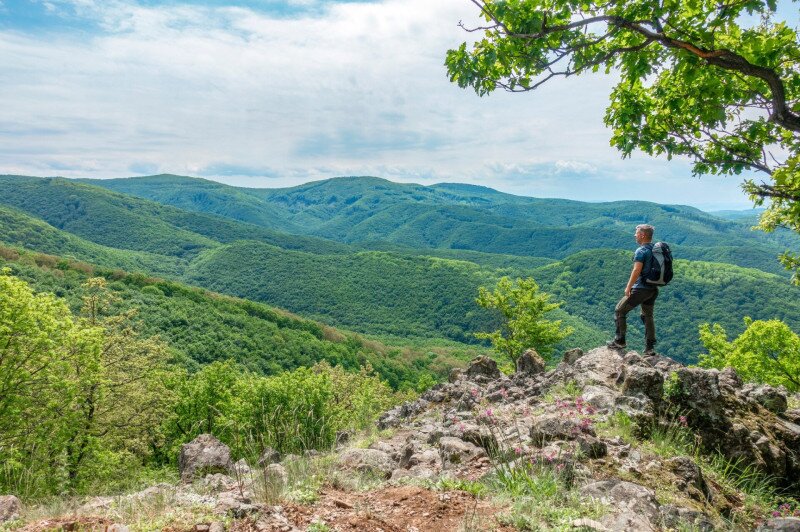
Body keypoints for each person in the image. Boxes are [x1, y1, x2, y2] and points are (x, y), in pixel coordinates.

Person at [607, 224, 658, 355]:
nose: (634, 235)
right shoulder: (656, 250)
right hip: (653, 289)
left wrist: (628, 286)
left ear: (642, 235)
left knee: (619, 310)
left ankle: (620, 341)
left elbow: (636, 270)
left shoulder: (641, 251)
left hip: (640, 289)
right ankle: (650, 348)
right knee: (647, 315)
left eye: (636, 233)